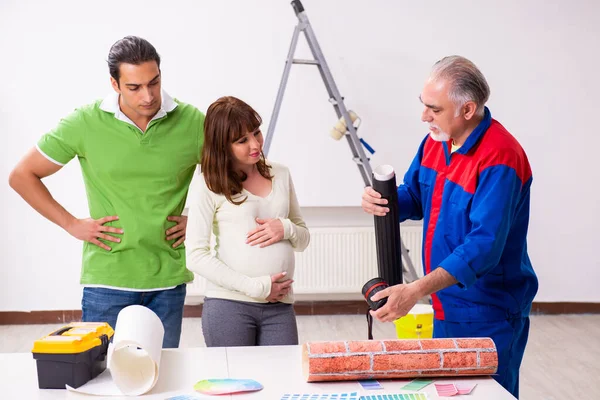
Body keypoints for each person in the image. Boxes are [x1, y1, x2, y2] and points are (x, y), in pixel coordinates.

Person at [8, 36, 205, 348]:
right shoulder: (85, 121)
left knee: (161, 379)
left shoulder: (192, 121)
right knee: (102, 380)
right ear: (115, 84)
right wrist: (72, 224)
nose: (148, 95)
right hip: (107, 278)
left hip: (167, 277)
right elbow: (22, 176)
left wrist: (200, 221)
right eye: (135, 87)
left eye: (154, 82)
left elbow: (235, 176)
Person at [361, 55, 538, 398]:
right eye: (423, 105)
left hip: (490, 312)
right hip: (447, 305)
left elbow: (483, 247)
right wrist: (382, 200)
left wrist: (414, 290)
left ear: (467, 110)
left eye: (434, 109)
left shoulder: (501, 158)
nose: (424, 116)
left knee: (487, 395)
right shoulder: (435, 142)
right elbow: (414, 194)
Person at [186, 96, 310, 347]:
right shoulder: (208, 184)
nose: (255, 144)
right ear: (222, 145)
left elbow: (303, 239)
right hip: (228, 305)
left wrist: (284, 227)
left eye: (256, 133)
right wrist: (257, 287)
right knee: (235, 384)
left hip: (279, 306)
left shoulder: (281, 174)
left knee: (281, 380)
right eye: (242, 140)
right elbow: (196, 255)